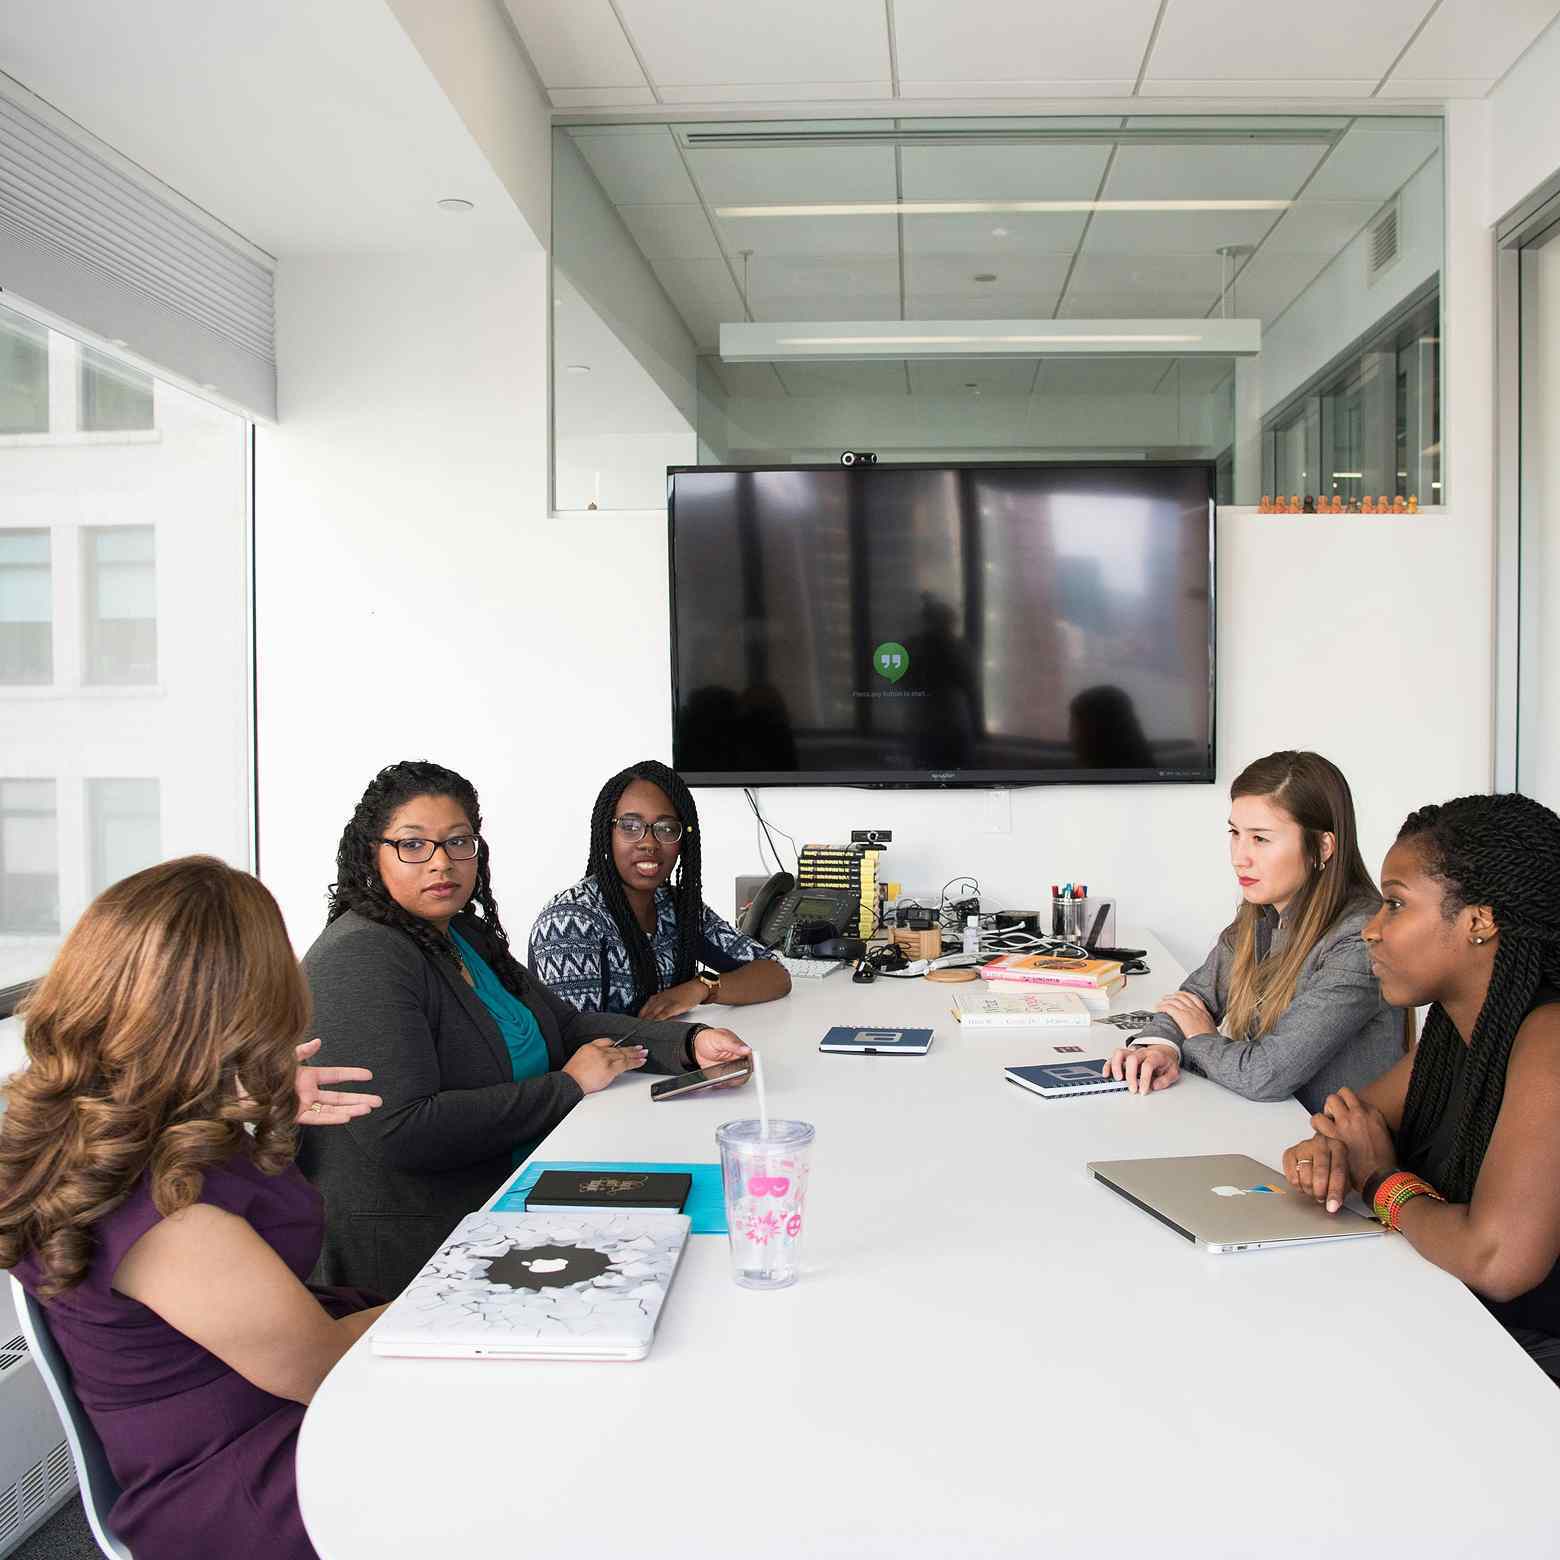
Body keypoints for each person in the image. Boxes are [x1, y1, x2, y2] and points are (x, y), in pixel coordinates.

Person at [0, 857, 385, 1560]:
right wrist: (463, 1290)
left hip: (244, 1405)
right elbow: (324, 1369)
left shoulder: (97, 1123)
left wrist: (239, 1105)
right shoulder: (172, 1222)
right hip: (249, 1483)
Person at [299, 759, 751, 1299]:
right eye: (414, 845)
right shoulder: (362, 955)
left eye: (458, 842)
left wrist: (687, 1043)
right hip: (417, 1248)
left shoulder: (459, 932)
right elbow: (402, 1130)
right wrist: (567, 1087)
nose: (441, 863)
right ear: (372, 853)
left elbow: (565, 1025)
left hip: (513, 1191)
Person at [1282, 792, 1560, 1381]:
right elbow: (1346, 1121)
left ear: (1479, 922)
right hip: (1459, 1318)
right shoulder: (1458, 1031)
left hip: (1529, 1370)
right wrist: (1326, 1155)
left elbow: (1498, 1258)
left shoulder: (1550, 1036)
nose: (1371, 931)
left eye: (1395, 905)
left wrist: (1382, 1182)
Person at [1104, 750, 1402, 1111]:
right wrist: (1159, 1048)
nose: (1238, 857)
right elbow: (1194, 999)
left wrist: (1199, 1038)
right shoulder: (1261, 913)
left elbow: (1264, 1075)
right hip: (1276, 1129)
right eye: (1235, 833)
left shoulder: (1359, 941)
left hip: (1335, 1153)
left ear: (1323, 847)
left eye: (1260, 839)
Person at [529, 759, 791, 1019]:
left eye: (666, 828)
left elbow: (774, 974)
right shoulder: (569, 922)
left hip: (675, 1054)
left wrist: (701, 987)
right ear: (606, 833)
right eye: (630, 826)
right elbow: (580, 1038)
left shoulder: (676, 908)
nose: (649, 843)